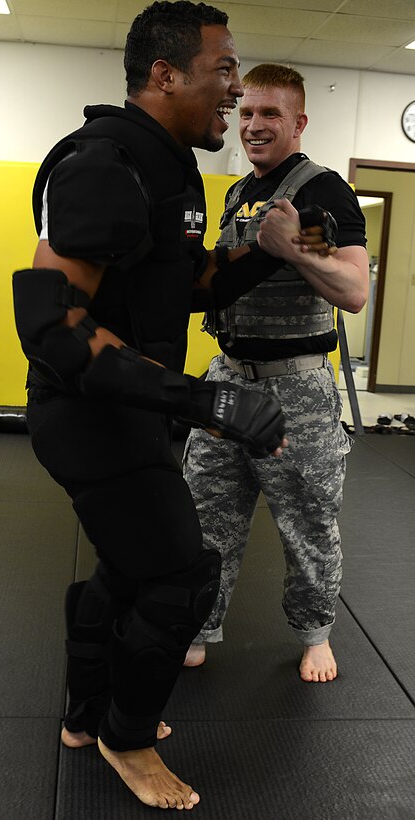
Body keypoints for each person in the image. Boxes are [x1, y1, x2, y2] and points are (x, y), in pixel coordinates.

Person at [9, 6, 330, 811]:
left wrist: (268, 250)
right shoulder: (102, 163)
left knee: (129, 566)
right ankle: (128, 736)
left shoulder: (169, 166)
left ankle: (87, 720)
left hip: (130, 409)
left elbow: (179, 289)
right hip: (86, 414)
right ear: (166, 75)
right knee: (183, 575)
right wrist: (207, 401)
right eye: (225, 71)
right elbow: (52, 329)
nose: (235, 90)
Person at [183, 63, 369, 683]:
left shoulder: (318, 192)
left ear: (299, 122)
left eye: (271, 115)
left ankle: (315, 634)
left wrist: (296, 247)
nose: (254, 126)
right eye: (248, 113)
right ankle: (200, 626)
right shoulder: (241, 191)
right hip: (229, 378)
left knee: (307, 520)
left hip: (296, 392)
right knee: (208, 512)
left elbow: (352, 288)